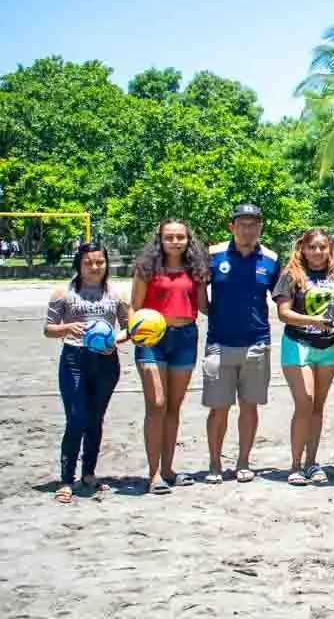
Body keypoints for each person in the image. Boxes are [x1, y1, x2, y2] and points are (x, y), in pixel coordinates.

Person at [44, 242, 130, 503]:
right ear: (79, 265)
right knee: (76, 418)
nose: (95, 267)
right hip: (74, 359)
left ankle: (89, 474)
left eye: (100, 262)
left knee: (95, 419)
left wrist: (114, 341)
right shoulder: (63, 293)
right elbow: (48, 329)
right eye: (88, 263)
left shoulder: (117, 294)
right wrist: (67, 328)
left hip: (106, 361)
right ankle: (66, 480)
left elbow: (130, 328)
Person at [203, 204, 281, 484]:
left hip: (257, 343)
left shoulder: (271, 259)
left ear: (261, 227)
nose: (248, 229)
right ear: (232, 226)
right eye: (243, 224)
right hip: (219, 343)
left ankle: (243, 461)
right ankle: (215, 462)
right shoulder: (213, 255)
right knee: (218, 408)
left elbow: (282, 298)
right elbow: (200, 294)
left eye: (254, 224)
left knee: (250, 407)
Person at [131, 220, 210, 494]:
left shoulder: (196, 269)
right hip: (153, 339)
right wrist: (132, 333)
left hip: (185, 337)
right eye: (169, 237)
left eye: (180, 237)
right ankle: (153, 474)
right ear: (160, 240)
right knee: (157, 404)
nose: (175, 242)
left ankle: (167, 469)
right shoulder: (146, 268)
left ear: (188, 240)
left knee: (173, 407)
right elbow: (134, 307)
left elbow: (204, 307)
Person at [272, 229, 334, 486]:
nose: (317, 252)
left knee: (318, 406)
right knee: (305, 402)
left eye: (323, 247)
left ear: (330, 248)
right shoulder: (291, 274)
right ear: (303, 248)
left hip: (330, 346)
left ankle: (311, 462)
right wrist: (314, 320)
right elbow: (284, 314)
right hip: (298, 344)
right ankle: (295, 465)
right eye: (312, 247)